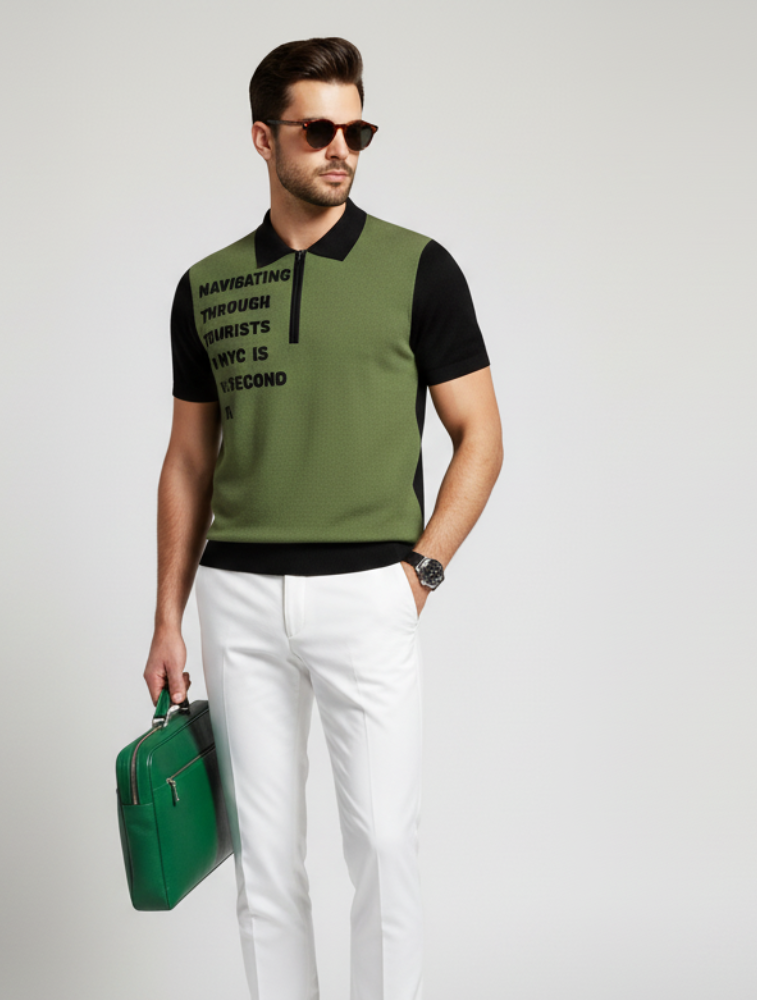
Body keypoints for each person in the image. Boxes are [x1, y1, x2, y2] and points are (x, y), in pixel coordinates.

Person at [143, 36, 503, 1000]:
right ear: (264, 139)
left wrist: (422, 570)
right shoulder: (205, 285)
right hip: (237, 599)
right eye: (317, 130)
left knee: (384, 843)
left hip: (368, 591)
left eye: (356, 130)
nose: (341, 148)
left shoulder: (419, 268)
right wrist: (168, 617)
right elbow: (188, 460)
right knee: (264, 861)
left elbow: (481, 436)